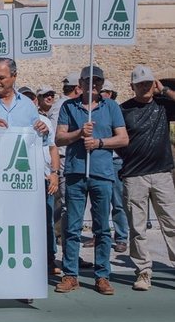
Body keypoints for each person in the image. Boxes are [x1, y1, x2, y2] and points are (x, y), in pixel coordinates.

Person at [54, 65, 128, 296]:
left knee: (102, 229)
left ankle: (102, 275)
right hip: (76, 173)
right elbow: (59, 138)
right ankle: (70, 274)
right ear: (81, 84)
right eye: (89, 81)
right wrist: (79, 134)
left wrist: (99, 143)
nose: (93, 85)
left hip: (102, 173)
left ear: (101, 83)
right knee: (73, 227)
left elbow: (123, 138)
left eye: (97, 81)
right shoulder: (69, 106)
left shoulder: (112, 106)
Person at [118, 65, 175, 291]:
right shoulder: (123, 110)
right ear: (132, 86)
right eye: (140, 83)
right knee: (137, 228)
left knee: (171, 223)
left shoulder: (163, 105)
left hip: (162, 173)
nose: (145, 87)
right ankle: (143, 271)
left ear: (154, 84)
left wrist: (166, 91)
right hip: (134, 175)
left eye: (148, 83)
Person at [19, 87, 61, 276]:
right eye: (24, 99)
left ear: (35, 102)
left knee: (47, 222)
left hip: (43, 178)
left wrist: (54, 173)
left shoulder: (44, 122)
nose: (28, 102)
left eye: (31, 99)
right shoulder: (16, 122)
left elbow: (53, 148)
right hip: (21, 181)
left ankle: (49, 259)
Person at [48, 73, 83, 246]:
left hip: (64, 158)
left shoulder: (58, 105)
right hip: (62, 158)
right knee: (66, 205)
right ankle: (62, 240)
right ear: (77, 88)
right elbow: (55, 138)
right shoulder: (63, 106)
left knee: (64, 204)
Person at [95, 80, 129, 253]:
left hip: (114, 160)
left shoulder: (115, 109)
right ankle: (99, 235)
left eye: (107, 91)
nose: (104, 94)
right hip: (100, 159)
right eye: (103, 91)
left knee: (118, 202)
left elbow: (122, 137)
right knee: (99, 203)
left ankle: (121, 237)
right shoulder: (94, 109)